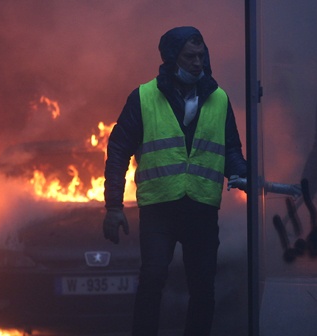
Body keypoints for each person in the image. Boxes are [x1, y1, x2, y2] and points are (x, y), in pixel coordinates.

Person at [102, 26, 247, 336]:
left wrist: (240, 171)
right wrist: (114, 206)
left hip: (201, 208)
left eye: (202, 55)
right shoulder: (143, 98)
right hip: (159, 209)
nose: (198, 62)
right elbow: (117, 151)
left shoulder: (219, 99)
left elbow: (231, 148)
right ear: (171, 58)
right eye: (190, 56)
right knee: (152, 280)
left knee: (203, 287)